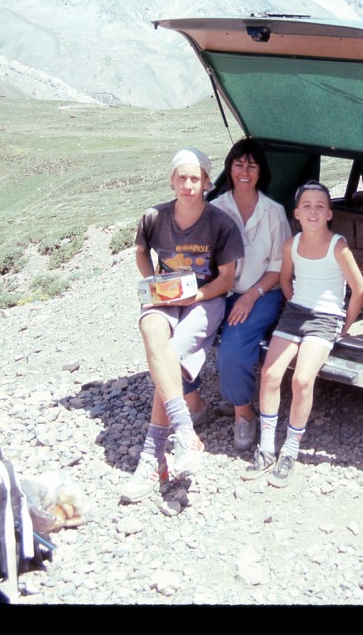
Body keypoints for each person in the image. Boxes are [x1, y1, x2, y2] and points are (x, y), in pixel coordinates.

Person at [120, 147, 244, 513]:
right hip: (165, 297)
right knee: (152, 331)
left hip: (205, 299)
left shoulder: (221, 224)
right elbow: (141, 252)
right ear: (172, 180)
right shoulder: (154, 216)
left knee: (168, 359)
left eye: (196, 178)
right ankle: (185, 434)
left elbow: (226, 280)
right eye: (182, 178)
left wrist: (194, 295)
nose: (188, 185)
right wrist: (152, 284)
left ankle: (153, 453)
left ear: (206, 182)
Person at [241, 181, 363, 487]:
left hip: (326, 318)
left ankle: (290, 451)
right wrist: (294, 301)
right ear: (296, 213)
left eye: (320, 206)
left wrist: (344, 326)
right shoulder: (291, 245)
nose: (313, 211)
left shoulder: (338, 245)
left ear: (329, 213)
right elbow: (286, 280)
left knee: (301, 379)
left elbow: (359, 289)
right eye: (306, 206)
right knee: (270, 375)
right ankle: (267, 449)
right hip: (296, 312)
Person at [209, 139, 292, 451]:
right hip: (221, 290)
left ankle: (243, 413)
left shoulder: (274, 212)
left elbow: (279, 266)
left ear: (261, 172)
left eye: (252, 165)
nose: (244, 171)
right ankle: (190, 401)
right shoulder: (216, 209)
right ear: (230, 168)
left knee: (231, 349)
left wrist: (250, 295)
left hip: (262, 292)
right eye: (238, 164)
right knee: (178, 332)